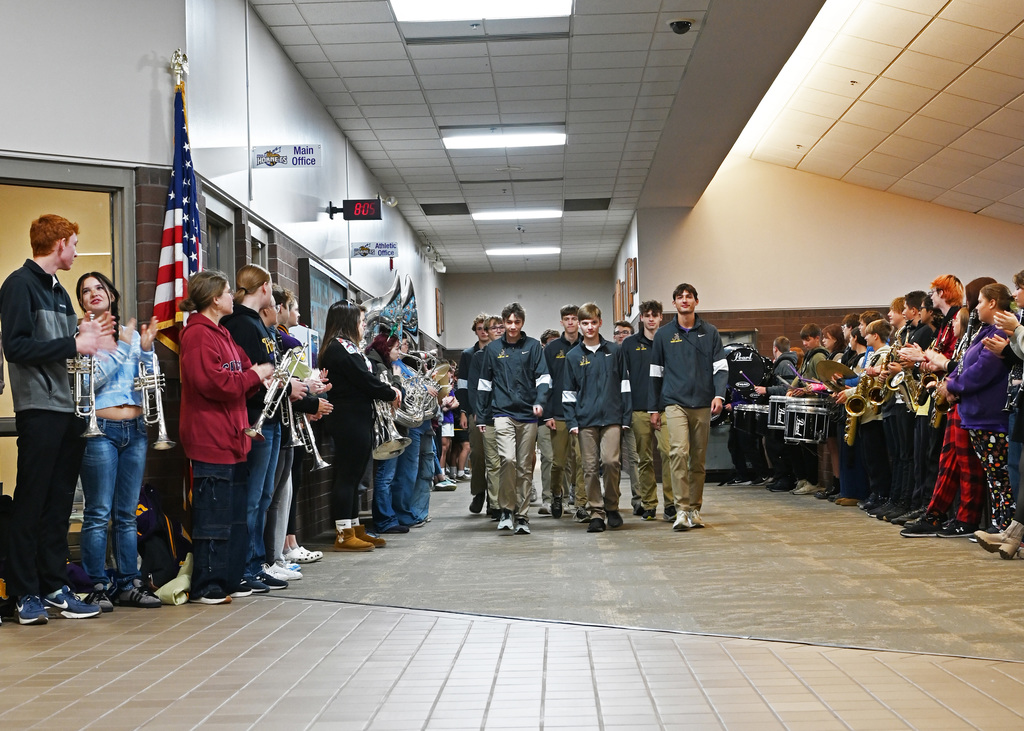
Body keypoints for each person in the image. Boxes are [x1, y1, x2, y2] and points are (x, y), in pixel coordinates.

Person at [0, 214, 115, 624]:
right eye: (75, 244)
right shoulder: (18, 285)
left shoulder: (61, 292)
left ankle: (52, 585)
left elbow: (70, 349)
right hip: (38, 410)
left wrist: (88, 340)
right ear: (61, 243)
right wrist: (74, 341)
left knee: (59, 505)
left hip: (68, 410)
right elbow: (15, 347)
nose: (77, 252)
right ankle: (24, 593)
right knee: (31, 503)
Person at [178, 269, 274, 604]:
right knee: (213, 520)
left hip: (234, 438)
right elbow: (214, 383)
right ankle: (208, 585)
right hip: (210, 438)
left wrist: (258, 375)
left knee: (234, 520)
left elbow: (246, 370)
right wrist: (254, 375)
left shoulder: (224, 335)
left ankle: (231, 578)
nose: (233, 295)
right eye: (228, 291)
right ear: (214, 298)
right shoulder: (197, 335)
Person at [75, 272, 162, 610]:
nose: (93, 293)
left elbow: (147, 377)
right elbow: (91, 383)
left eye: (99, 287)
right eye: (86, 291)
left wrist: (145, 348)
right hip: (101, 432)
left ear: (112, 293)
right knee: (98, 512)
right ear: (82, 302)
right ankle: (97, 584)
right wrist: (125, 346)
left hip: (135, 430)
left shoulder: (127, 334)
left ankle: (128, 582)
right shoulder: (84, 337)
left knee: (126, 513)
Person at [222, 265, 296, 592]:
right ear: (264, 288)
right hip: (255, 418)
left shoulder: (259, 325)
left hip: (273, 415)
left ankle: (257, 562)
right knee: (253, 498)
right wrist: (284, 385)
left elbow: (271, 369)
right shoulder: (240, 324)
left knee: (264, 496)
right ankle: (246, 566)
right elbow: (250, 373)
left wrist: (293, 384)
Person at [319, 301, 402, 551]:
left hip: (358, 418)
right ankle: (344, 533)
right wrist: (390, 391)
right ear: (347, 322)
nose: (364, 324)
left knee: (354, 478)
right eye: (360, 320)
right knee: (346, 476)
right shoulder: (337, 349)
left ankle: (354, 528)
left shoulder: (348, 348)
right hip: (347, 421)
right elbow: (364, 380)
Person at [649, 283, 727, 531]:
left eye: (689, 297)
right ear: (673, 304)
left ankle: (695, 509)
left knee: (698, 459)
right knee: (678, 452)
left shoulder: (710, 332)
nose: (685, 300)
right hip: (674, 402)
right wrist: (653, 408)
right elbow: (655, 373)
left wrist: (719, 396)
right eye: (680, 297)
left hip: (703, 402)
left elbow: (721, 368)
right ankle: (681, 510)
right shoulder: (663, 335)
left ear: (696, 301)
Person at [477, 302, 550, 534]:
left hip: (528, 414)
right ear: (503, 323)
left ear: (522, 323)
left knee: (525, 467)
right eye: (508, 322)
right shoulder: (492, 350)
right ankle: (506, 509)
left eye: (516, 322)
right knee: (507, 460)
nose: (512, 326)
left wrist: (540, 402)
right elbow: (484, 384)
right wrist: (481, 416)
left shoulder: (533, 347)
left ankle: (522, 515)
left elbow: (544, 378)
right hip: (502, 412)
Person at [563, 304, 631, 532]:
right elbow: (568, 393)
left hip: (612, 417)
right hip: (585, 420)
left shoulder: (615, 351)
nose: (589, 327)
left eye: (593, 322)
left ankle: (611, 506)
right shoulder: (572, 356)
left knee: (611, 462)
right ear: (580, 326)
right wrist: (572, 421)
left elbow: (625, 385)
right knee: (589, 467)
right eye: (585, 323)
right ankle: (596, 512)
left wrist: (626, 416)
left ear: (600, 322)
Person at [622, 300, 675, 521]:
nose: (651, 318)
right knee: (644, 459)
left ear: (661, 317)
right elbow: (623, 378)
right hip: (639, 408)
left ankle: (671, 503)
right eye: (647, 315)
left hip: (665, 408)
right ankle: (649, 504)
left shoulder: (670, 341)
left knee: (668, 453)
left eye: (655, 314)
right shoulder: (629, 344)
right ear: (641, 318)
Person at [543, 304, 583, 521]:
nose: (570, 322)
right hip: (558, 413)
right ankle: (557, 494)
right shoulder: (551, 349)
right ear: (562, 322)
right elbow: (545, 383)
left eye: (574, 318)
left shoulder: (586, 345)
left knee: (580, 460)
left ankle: (579, 498)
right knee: (558, 461)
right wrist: (547, 413)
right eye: (566, 319)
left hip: (582, 412)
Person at [457, 314, 491, 514]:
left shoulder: (498, 351)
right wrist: (464, 411)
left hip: (494, 412)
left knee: (495, 457)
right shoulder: (468, 355)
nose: (484, 331)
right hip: (474, 412)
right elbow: (462, 385)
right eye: (480, 328)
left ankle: (495, 501)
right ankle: (479, 493)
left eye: (486, 328)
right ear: (476, 331)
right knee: (477, 455)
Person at [613, 320, 641, 512]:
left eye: (625, 332)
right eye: (617, 333)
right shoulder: (609, 355)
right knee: (611, 460)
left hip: (633, 412)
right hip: (613, 414)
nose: (621, 335)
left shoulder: (637, 355)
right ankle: (612, 500)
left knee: (635, 457)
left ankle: (638, 500)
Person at [536, 328, 560, 515]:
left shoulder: (562, 361)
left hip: (562, 416)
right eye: (549, 342)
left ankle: (565, 498)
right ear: (543, 345)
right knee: (548, 458)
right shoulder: (538, 363)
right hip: (543, 418)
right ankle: (547, 498)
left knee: (563, 460)